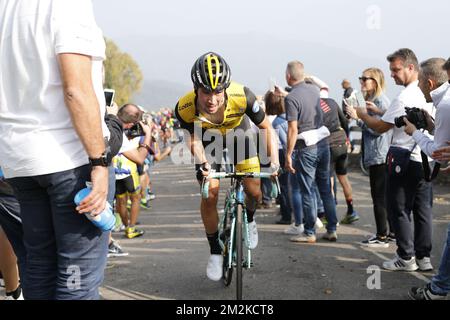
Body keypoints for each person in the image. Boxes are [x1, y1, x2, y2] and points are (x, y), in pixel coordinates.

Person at [0, 0, 111, 299]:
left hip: (19, 160)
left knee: (39, 268)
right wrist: (99, 162)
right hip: (67, 158)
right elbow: (76, 88)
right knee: (76, 278)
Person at [174, 52, 279, 281]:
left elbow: (265, 127)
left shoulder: (243, 95)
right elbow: (192, 139)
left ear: (225, 88)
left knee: (254, 190)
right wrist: (203, 163)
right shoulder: (184, 107)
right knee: (209, 193)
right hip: (207, 140)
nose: (212, 100)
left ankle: (249, 219)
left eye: (217, 92)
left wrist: (274, 161)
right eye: (205, 92)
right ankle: (214, 250)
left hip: (238, 136)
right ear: (195, 89)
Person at [356, 48, 434, 272]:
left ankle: (405, 257)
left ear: (411, 68)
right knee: (423, 210)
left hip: (403, 159)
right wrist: (381, 110)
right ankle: (423, 257)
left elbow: (381, 128)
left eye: (396, 69)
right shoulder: (428, 92)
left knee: (398, 209)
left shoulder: (404, 96)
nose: (392, 74)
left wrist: (362, 115)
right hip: (426, 158)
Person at [402, 59, 449, 300]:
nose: (419, 88)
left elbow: (437, 152)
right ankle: (439, 288)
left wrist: (416, 132)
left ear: (429, 83)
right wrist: (431, 128)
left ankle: (439, 290)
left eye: (420, 83)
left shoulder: (446, 105)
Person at [281, 61, 338, 243]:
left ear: (288, 76)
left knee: (307, 191)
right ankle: (331, 228)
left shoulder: (291, 98)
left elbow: (292, 129)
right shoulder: (314, 90)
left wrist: (288, 154)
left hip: (305, 148)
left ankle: (309, 232)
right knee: (325, 190)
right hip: (323, 143)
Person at [346, 68, 394, 247]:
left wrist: (358, 118)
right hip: (378, 154)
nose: (362, 81)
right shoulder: (374, 100)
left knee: (379, 197)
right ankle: (391, 233)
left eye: (365, 79)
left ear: (375, 81)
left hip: (379, 155)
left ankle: (382, 235)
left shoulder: (380, 101)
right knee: (383, 196)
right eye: (361, 78)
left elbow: (378, 130)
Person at [113, 104, 153, 239]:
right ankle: (131, 228)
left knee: (120, 201)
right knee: (135, 198)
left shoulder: (112, 125)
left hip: (114, 170)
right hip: (129, 170)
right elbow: (140, 158)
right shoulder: (136, 129)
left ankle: (126, 226)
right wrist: (147, 132)